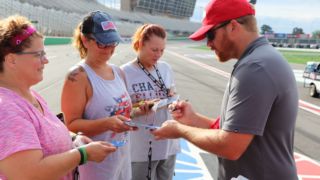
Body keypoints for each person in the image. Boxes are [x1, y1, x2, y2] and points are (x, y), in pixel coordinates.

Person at [152, 0, 299, 179]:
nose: (208, 44)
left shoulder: (255, 68)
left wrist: (179, 130)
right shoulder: (262, 59)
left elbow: (230, 146)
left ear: (232, 26)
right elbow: (238, 129)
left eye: (211, 35)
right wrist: (193, 119)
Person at [0, 15, 116, 180]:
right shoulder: (6, 110)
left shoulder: (31, 95)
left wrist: (74, 139)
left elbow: (43, 136)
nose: (46, 60)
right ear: (11, 60)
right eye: (38, 54)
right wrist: (82, 154)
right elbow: (28, 174)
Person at [61, 11, 134, 180]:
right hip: (96, 165)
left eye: (113, 43)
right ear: (85, 40)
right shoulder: (78, 76)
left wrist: (138, 112)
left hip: (122, 156)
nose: (109, 49)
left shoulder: (118, 72)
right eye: (102, 44)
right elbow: (70, 125)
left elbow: (119, 110)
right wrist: (107, 124)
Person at [121, 24, 180, 180]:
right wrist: (139, 109)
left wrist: (175, 104)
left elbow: (172, 97)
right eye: (154, 50)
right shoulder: (125, 73)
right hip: (140, 149)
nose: (159, 54)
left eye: (162, 50)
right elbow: (119, 112)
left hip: (168, 145)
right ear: (140, 44)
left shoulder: (165, 68)